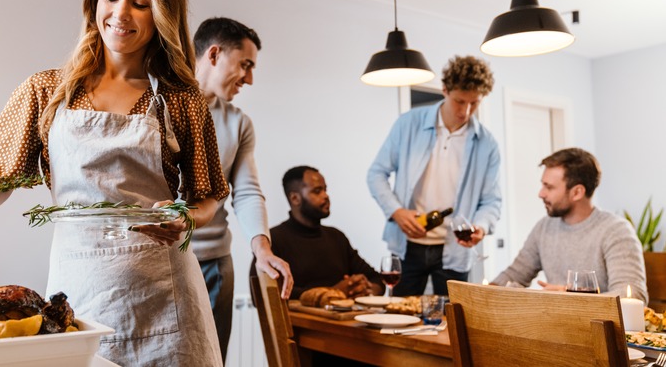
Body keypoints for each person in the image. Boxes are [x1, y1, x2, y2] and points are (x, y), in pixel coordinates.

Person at [0, 0, 228, 366]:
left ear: (162, 14)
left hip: (168, 306)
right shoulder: (48, 91)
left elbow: (209, 195)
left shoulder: (180, 100)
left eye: (140, 3)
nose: (120, 14)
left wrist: (186, 217)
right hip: (79, 299)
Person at [192, 17, 293, 361]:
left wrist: (261, 249)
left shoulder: (239, 123)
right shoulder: (157, 104)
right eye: (245, 65)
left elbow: (247, 191)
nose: (249, 79)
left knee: (211, 358)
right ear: (215, 54)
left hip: (214, 268)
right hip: (160, 263)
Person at [367, 55, 502, 296]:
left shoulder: (487, 144)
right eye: (460, 101)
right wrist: (397, 212)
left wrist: (481, 226)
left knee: (452, 325)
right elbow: (376, 174)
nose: (466, 111)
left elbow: (491, 201)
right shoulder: (408, 124)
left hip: (455, 251)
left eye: (475, 103)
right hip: (407, 245)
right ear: (445, 90)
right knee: (399, 318)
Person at [492, 148, 648, 302]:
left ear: (577, 192)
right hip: (552, 324)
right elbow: (513, 276)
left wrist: (572, 296)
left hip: (596, 326)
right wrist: (484, 291)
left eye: (549, 187)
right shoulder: (544, 228)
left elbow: (633, 297)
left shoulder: (616, 231)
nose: (541, 193)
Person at [254, 166, 384, 300]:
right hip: (300, 320)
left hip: (345, 320)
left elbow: (377, 279)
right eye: (317, 191)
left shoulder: (336, 237)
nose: (325, 196)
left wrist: (364, 290)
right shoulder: (273, 239)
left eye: (325, 189)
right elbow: (260, 294)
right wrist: (332, 293)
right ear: (295, 198)